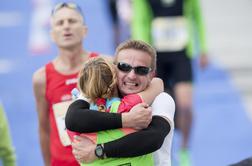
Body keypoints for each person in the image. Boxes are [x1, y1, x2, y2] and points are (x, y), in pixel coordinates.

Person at [66, 40, 175, 166]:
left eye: (141, 70)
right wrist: (128, 119)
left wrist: (97, 151)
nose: (132, 76)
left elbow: (152, 138)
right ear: (114, 69)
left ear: (151, 75)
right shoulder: (95, 94)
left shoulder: (161, 99)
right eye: (124, 67)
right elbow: (73, 119)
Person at [131, 0, 209, 165]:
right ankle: (163, 148)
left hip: (181, 55)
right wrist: (142, 56)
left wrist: (203, 48)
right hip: (156, 58)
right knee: (156, 109)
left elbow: (197, 18)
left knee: (185, 105)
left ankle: (185, 148)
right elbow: (139, 22)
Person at [32, 2, 101, 166]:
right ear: (52, 34)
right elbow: (44, 129)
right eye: (60, 23)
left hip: (101, 160)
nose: (66, 27)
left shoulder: (105, 66)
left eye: (72, 21)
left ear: (85, 30)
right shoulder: (41, 78)